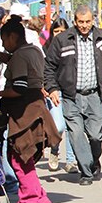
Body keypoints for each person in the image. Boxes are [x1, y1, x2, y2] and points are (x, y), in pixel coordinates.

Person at [0, 16, 61, 203]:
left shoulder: (20, 56)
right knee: (22, 157)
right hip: (35, 108)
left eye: (4, 41)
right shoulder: (33, 50)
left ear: (12, 36)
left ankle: (31, 202)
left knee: (19, 157)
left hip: (25, 113)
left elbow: (19, 88)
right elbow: (10, 59)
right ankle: (39, 197)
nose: (3, 45)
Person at [44, 4, 102, 186]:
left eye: (87, 22)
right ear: (75, 21)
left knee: (95, 136)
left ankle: (92, 159)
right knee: (75, 133)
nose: (84, 25)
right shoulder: (62, 40)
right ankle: (86, 172)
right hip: (71, 96)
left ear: (93, 21)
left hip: (94, 96)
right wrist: (52, 89)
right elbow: (49, 66)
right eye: (80, 22)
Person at [43, 18, 77, 172]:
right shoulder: (46, 48)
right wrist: (47, 88)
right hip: (54, 92)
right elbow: (44, 70)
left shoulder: (73, 46)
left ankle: (71, 161)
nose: (59, 34)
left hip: (71, 91)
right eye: (56, 31)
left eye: (62, 31)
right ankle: (55, 149)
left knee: (71, 126)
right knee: (59, 125)